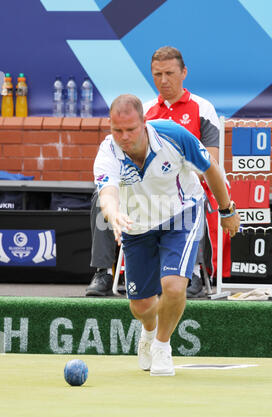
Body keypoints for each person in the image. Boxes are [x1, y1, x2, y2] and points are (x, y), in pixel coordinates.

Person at [93, 94, 240, 376]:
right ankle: (148, 333)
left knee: (173, 285)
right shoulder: (107, 152)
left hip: (181, 214)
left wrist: (226, 209)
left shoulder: (173, 135)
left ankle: (162, 345)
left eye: (131, 129)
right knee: (141, 306)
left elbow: (210, 168)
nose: (124, 137)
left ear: (144, 123)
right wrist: (113, 215)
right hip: (136, 223)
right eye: (117, 130)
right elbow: (107, 193)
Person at [86, 46, 230, 298]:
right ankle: (104, 271)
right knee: (102, 198)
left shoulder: (202, 107)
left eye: (169, 73)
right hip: (142, 188)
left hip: (184, 184)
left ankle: (193, 271)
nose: (163, 80)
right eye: (157, 74)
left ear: (183, 72)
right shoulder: (145, 110)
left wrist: (169, 178)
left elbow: (212, 162)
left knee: (187, 195)